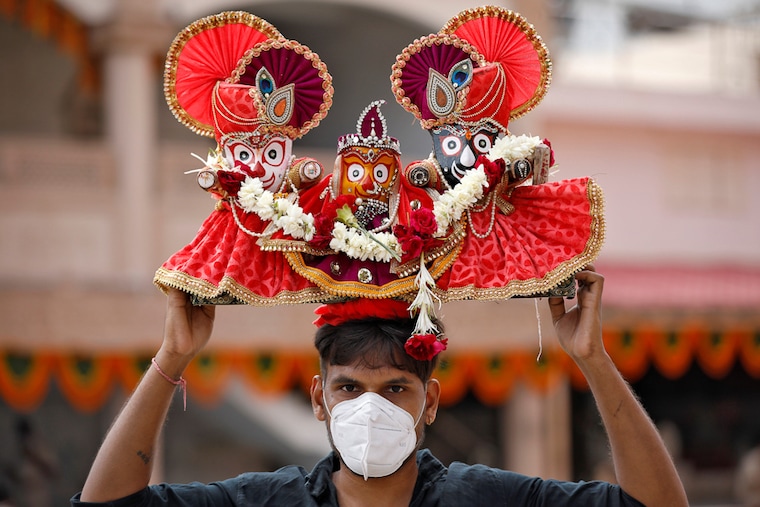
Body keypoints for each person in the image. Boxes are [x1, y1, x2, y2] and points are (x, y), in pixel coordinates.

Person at [72, 267, 688, 506]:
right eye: (348, 389)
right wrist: (172, 356)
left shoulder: (486, 500)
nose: (370, 408)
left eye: (396, 389)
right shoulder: (265, 502)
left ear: (432, 401)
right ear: (319, 400)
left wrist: (594, 359)